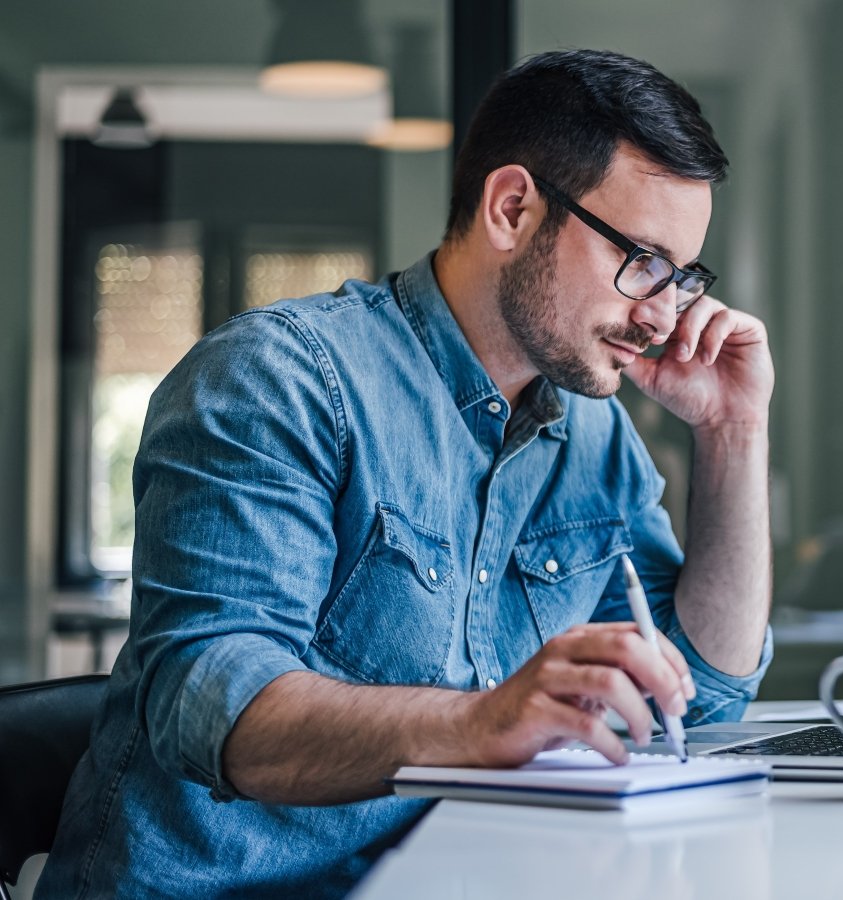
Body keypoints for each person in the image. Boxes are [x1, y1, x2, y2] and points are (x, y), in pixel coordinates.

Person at [38, 49, 772, 898]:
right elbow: (211, 701)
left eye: (681, 278)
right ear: (511, 209)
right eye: (642, 260)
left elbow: (703, 693)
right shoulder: (279, 378)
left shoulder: (595, 437)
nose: (660, 314)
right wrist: (485, 722)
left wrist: (734, 430)